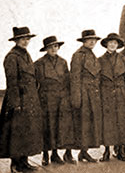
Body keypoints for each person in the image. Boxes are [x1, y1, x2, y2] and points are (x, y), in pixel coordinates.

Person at [0, 27, 43, 173]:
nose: (26, 41)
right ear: (16, 41)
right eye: (23, 39)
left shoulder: (26, 55)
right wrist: (15, 104)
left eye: (27, 39)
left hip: (30, 100)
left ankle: (24, 162)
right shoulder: (12, 57)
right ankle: (15, 165)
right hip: (19, 100)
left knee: (27, 132)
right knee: (16, 134)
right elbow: (12, 82)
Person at [34, 36, 75, 166]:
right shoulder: (39, 63)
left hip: (61, 98)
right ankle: (45, 154)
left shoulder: (63, 62)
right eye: (50, 47)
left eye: (55, 46)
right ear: (46, 49)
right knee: (48, 127)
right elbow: (35, 84)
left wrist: (68, 97)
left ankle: (56, 154)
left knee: (60, 126)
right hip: (46, 99)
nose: (53, 49)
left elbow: (67, 80)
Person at [98, 33, 125, 162]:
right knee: (108, 124)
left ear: (117, 45)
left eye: (115, 43)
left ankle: (120, 151)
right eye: (110, 43)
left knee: (121, 123)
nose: (113, 45)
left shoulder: (123, 59)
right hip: (106, 95)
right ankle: (107, 151)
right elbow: (98, 81)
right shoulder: (100, 60)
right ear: (106, 45)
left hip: (121, 94)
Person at [70, 29, 102, 163]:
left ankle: (84, 152)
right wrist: (76, 98)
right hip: (83, 94)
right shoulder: (79, 55)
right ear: (83, 41)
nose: (92, 41)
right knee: (83, 124)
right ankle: (82, 152)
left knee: (90, 124)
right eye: (89, 39)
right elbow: (75, 78)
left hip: (93, 94)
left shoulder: (92, 54)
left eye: (94, 39)